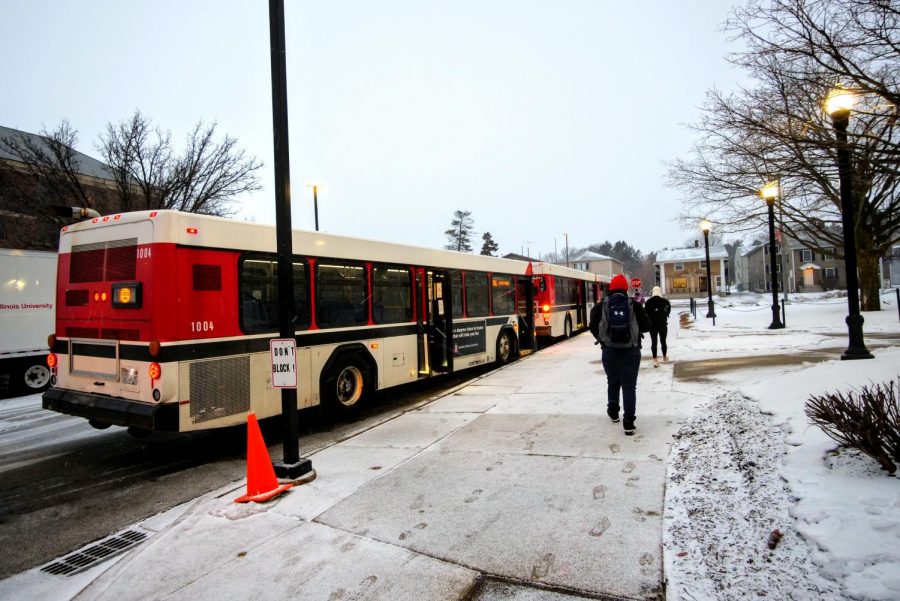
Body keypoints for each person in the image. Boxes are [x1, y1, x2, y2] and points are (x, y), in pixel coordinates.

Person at [589, 274, 650, 436]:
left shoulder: (601, 306)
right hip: (631, 351)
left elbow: (592, 326)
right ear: (625, 289)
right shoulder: (634, 305)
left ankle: (613, 411)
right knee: (629, 386)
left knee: (613, 380)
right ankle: (629, 422)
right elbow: (646, 326)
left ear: (611, 289)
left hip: (609, 351)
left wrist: (602, 340)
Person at [644, 285, 671, 368]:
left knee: (654, 342)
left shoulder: (648, 302)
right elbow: (668, 311)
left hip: (652, 325)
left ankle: (655, 360)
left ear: (653, 292)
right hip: (662, 324)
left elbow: (645, 313)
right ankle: (664, 357)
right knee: (663, 341)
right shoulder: (665, 301)